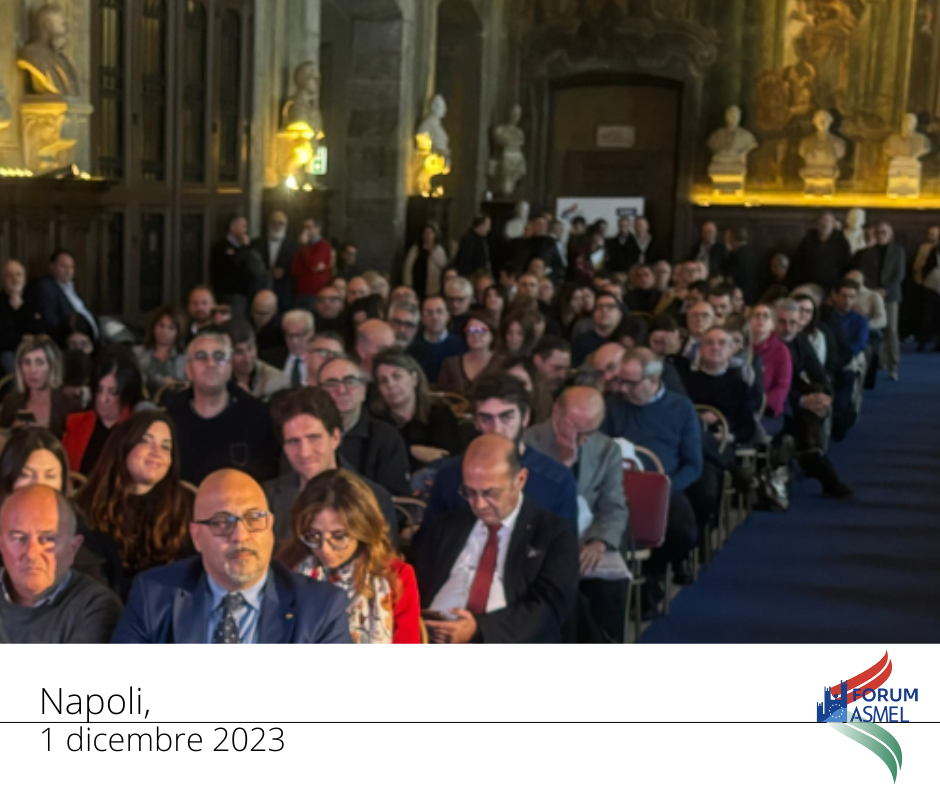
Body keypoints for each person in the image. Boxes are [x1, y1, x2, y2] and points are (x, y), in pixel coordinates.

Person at [112, 469, 351, 643]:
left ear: (270, 528)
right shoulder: (154, 595)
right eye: (221, 523)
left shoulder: (320, 607)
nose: (240, 536)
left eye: (254, 519)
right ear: (196, 536)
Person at [412, 435, 578, 643]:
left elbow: (549, 610)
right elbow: (415, 581)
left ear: (520, 480)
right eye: (470, 492)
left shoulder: (553, 533)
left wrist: (479, 629)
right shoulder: (447, 524)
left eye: (490, 493)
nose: (479, 505)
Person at [524, 387, 629, 642]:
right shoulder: (529, 442)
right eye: (574, 429)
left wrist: (598, 541)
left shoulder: (606, 450)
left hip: (586, 536)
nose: (580, 439)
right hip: (539, 540)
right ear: (556, 413)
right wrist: (562, 466)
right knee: (562, 589)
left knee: (607, 587)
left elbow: (614, 507)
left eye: (588, 432)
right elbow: (526, 505)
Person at [276, 469, 420, 643]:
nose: (325, 549)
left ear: (363, 530)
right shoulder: (285, 567)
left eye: (338, 536)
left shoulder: (397, 576)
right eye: (313, 535)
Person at [602, 348, 701, 598]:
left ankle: (651, 573)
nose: (622, 388)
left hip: (665, 486)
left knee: (683, 532)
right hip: (618, 485)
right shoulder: (613, 405)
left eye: (630, 383)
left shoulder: (681, 408)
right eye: (620, 380)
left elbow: (693, 465)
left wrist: (664, 489)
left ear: (653, 380)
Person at [425, 373, 578, 526]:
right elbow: (430, 537)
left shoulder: (557, 479)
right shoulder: (450, 474)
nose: (496, 429)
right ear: (476, 422)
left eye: (506, 417)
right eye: (486, 419)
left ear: (525, 418)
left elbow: (564, 540)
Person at [73, 411, 194, 599]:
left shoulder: (186, 505)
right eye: (146, 441)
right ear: (124, 446)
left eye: (165, 447)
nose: (157, 452)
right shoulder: (86, 504)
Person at [265, 387, 398, 543]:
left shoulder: (374, 497)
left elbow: (384, 556)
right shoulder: (266, 497)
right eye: (293, 441)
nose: (304, 452)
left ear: (335, 437)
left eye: (313, 438)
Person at [0, 486, 123, 643]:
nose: (31, 554)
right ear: (2, 545)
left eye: (48, 540)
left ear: (73, 548)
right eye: (19, 538)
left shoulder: (96, 605)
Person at [165, 328, 279, 484]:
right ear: (188, 370)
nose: (210, 363)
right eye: (201, 357)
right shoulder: (170, 419)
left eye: (219, 356)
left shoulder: (258, 417)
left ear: (229, 368)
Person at [774, 299, 853, 498]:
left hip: (797, 401)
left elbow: (819, 372)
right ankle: (814, 457)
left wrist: (825, 395)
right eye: (782, 322)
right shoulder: (769, 347)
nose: (788, 328)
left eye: (793, 323)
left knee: (817, 396)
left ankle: (811, 453)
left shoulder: (800, 341)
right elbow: (773, 388)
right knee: (806, 420)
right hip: (776, 402)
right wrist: (801, 400)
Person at [317, 355, 411, 496]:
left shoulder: (386, 437)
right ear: (318, 393)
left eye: (350, 382)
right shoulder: (304, 436)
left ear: (364, 390)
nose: (341, 389)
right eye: (331, 383)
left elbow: (394, 500)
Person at [372, 348, 461, 473]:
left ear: (414, 378)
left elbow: (448, 458)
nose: (390, 385)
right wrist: (413, 451)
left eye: (397, 376)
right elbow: (378, 461)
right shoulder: (375, 420)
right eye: (383, 381)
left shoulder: (439, 413)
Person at [62, 346, 145, 475]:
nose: (103, 398)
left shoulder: (137, 431)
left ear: (127, 393)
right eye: (99, 390)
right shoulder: (75, 424)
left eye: (113, 392)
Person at [684, 327, 756, 446]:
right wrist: (697, 418)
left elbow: (748, 428)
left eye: (722, 343)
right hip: (690, 442)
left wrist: (730, 437)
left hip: (723, 446)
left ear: (730, 350)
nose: (715, 347)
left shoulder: (740, 387)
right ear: (701, 349)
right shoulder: (684, 382)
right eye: (709, 343)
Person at [856, 221, 905, 381]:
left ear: (890, 234)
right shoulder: (867, 253)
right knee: (874, 329)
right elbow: (864, 274)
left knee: (891, 330)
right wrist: (874, 290)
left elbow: (899, 275)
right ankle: (879, 361)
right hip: (871, 295)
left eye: (884, 232)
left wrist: (885, 290)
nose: (881, 235)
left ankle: (893, 366)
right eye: (878, 232)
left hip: (890, 295)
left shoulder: (898, 251)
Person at [0, 335, 74, 438]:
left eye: (39, 362)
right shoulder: (11, 402)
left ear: (52, 366)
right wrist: (12, 430)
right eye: (27, 362)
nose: (33, 370)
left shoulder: (68, 406)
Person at [27, 249, 99, 346]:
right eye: (64, 266)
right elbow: (51, 321)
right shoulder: (47, 288)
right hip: (71, 344)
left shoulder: (74, 288)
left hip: (91, 342)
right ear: (52, 267)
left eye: (71, 267)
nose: (68, 271)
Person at [209, 216, 266, 317]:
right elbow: (235, 264)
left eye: (246, 226)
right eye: (242, 226)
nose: (245, 229)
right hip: (231, 294)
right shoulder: (220, 247)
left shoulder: (250, 247)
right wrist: (244, 247)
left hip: (249, 294)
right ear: (233, 227)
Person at [224, 319, 290, 402]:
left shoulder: (277, 381)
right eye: (239, 352)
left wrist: (248, 400)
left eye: (250, 348)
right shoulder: (217, 379)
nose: (247, 358)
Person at [438, 311, 500, 397]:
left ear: (492, 334)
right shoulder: (450, 364)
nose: (476, 335)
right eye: (471, 331)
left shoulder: (503, 364)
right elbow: (443, 396)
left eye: (482, 330)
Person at [788, 212, 853, 294]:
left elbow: (846, 265)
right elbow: (797, 262)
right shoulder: (808, 240)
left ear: (833, 224)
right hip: (809, 284)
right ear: (817, 223)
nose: (824, 224)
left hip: (833, 286)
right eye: (822, 220)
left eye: (828, 221)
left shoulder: (841, 242)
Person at [407, 296, 464, 385]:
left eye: (439, 311)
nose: (434, 317)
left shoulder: (460, 344)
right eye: (429, 313)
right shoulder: (413, 346)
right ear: (422, 317)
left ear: (447, 315)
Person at [749, 303, 792, 419]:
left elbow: (782, 386)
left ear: (773, 325)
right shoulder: (741, 346)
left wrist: (761, 404)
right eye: (757, 315)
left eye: (766, 316)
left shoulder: (781, 351)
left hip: (767, 410)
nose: (761, 319)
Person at [251, 211, 296, 311]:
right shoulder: (255, 244)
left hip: (283, 293)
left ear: (286, 226)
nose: (277, 226)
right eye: (274, 222)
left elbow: (297, 268)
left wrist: (285, 272)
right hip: (259, 291)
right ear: (269, 224)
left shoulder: (294, 247)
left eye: (281, 223)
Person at [135, 306, 187, 394]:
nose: (165, 331)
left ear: (178, 333)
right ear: (153, 328)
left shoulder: (185, 358)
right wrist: (160, 381)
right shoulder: (137, 353)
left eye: (171, 328)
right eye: (161, 326)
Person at [0, 259, 38, 376]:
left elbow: (39, 328)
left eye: (18, 275)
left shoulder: (33, 300)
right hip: (8, 352)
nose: (15, 279)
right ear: (3, 280)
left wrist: (22, 308)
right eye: (9, 275)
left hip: (33, 349)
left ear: (24, 278)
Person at [571, 292, 624, 366]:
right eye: (599, 307)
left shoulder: (626, 340)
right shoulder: (582, 342)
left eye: (610, 306)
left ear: (620, 314)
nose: (604, 310)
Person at [291, 219, 333, 309]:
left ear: (318, 229)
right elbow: (295, 268)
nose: (305, 231)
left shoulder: (323, 245)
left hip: (314, 293)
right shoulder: (302, 247)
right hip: (299, 291)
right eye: (304, 228)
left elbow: (312, 264)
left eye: (309, 228)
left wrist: (304, 246)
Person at [403, 223, 448, 300]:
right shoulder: (415, 249)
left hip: (432, 287)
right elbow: (408, 267)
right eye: (426, 233)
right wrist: (407, 283)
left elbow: (443, 266)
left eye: (430, 233)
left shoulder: (439, 250)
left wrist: (432, 253)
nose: (428, 235)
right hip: (416, 283)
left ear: (435, 235)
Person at [722, 227, 763, 306]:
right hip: (756, 295)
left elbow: (728, 274)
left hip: (740, 297)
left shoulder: (734, 255)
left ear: (732, 239)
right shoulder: (755, 253)